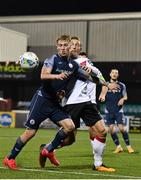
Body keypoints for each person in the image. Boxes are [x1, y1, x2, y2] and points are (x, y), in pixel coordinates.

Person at [2, 35, 83, 170]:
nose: (63, 48)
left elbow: (84, 76)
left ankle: (48, 150)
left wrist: (104, 84)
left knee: (70, 126)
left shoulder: (73, 65)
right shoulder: (52, 59)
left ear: (69, 46)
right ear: (57, 47)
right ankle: (9, 158)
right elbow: (43, 75)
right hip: (42, 100)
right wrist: (56, 76)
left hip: (55, 104)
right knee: (30, 132)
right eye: (60, 45)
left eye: (65, 45)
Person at [39, 36, 118, 172]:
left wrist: (105, 87)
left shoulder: (83, 62)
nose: (74, 47)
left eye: (77, 45)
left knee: (101, 130)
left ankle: (98, 164)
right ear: (68, 47)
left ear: (80, 49)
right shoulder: (64, 63)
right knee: (70, 140)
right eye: (72, 45)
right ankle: (48, 148)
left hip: (87, 102)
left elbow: (97, 76)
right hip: (71, 103)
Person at [104, 69, 134, 154]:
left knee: (121, 128)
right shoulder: (106, 85)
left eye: (116, 73)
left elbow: (125, 96)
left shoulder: (122, 85)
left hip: (118, 110)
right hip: (108, 110)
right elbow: (102, 94)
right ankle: (118, 147)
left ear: (118, 75)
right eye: (113, 73)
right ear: (110, 74)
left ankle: (129, 147)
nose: (114, 74)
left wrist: (122, 99)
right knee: (111, 130)